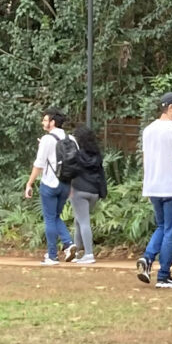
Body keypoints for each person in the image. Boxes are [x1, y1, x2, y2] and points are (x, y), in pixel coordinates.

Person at [137, 92, 172, 288]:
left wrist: (147, 184)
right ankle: (163, 275)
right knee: (170, 231)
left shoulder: (148, 130)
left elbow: (146, 158)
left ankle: (147, 258)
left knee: (162, 226)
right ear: (170, 107)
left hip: (154, 187)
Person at [25, 110, 74, 265]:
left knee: (49, 219)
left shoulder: (47, 139)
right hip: (66, 184)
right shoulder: (71, 138)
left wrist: (29, 183)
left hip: (50, 184)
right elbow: (75, 163)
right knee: (55, 217)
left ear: (52, 122)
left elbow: (39, 164)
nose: (43, 122)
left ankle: (52, 256)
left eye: (45, 120)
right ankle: (68, 244)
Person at [59, 127, 106, 266]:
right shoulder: (97, 155)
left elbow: (69, 170)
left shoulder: (77, 155)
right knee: (79, 220)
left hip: (79, 191)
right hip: (94, 192)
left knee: (83, 221)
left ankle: (89, 254)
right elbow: (101, 174)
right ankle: (77, 252)